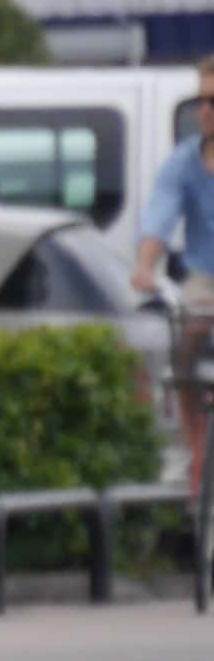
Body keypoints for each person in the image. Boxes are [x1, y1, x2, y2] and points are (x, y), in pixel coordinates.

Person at [128, 58, 214, 482]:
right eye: (201, 101)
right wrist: (145, 267)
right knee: (187, 350)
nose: (206, 110)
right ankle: (195, 451)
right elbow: (159, 219)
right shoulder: (184, 162)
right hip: (205, 282)